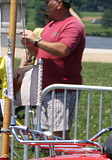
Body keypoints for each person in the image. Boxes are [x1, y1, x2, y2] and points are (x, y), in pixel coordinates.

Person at [21, 0, 85, 138]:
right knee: (46, 133)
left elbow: (63, 50)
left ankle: (68, 159)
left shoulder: (73, 25)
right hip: (45, 88)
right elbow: (41, 54)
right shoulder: (51, 25)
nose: (45, 5)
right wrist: (30, 45)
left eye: (47, 2)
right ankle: (55, 158)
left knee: (58, 133)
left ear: (59, 3)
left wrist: (36, 41)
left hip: (61, 88)